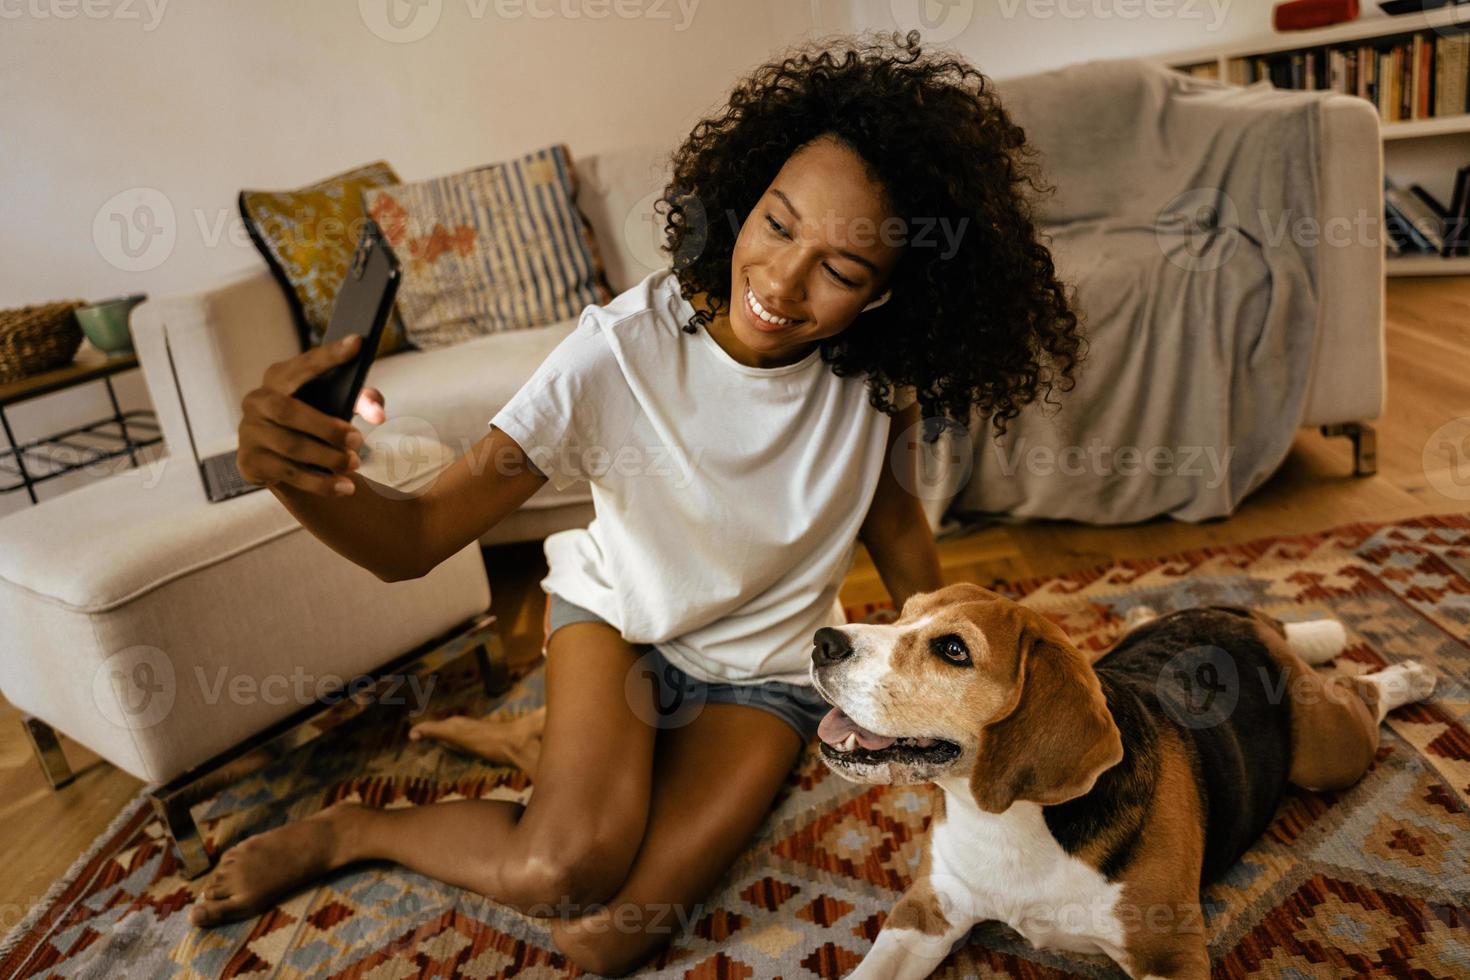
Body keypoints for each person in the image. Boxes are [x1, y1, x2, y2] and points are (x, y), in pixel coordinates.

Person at [189, 29, 1083, 975]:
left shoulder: (877, 374)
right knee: (557, 869)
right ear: (744, 200)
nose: (782, 282)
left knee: (600, 938)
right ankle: (353, 830)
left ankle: (560, 754)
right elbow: (412, 538)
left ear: (886, 295)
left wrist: (936, 690)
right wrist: (289, 469)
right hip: (619, 623)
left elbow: (892, 518)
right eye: (777, 225)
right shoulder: (616, 354)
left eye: (842, 269)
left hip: (767, 668)